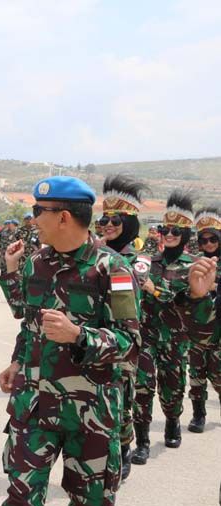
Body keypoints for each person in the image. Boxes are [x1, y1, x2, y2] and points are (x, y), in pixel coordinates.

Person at [0, 176, 141, 506]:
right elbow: (28, 324)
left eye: (38, 212)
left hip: (89, 413)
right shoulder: (35, 264)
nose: (33, 219)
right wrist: (17, 362)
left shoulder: (115, 270)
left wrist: (79, 336)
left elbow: (130, 343)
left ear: (63, 217)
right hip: (35, 406)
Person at [132, 190, 196, 462]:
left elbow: (185, 297)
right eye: (163, 229)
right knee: (142, 387)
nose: (168, 234)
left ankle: (172, 421)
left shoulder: (192, 265)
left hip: (176, 337)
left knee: (172, 387)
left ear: (186, 234)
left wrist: (155, 289)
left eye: (174, 230)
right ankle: (143, 441)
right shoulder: (148, 261)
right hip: (146, 334)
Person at [97, 174, 149, 482]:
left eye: (115, 220)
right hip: (97, 339)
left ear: (129, 223)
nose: (108, 225)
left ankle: (125, 448)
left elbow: (135, 282)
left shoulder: (136, 259)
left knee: (124, 402)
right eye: (104, 219)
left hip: (125, 340)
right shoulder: (98, 253)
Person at [185, 207, 221, 433]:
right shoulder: (194, 264)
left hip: (219, 330)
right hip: (197, 330)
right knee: (196, 374)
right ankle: (199, 415)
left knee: (218, 374)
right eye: (203, 240)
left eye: (213, 239)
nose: (208, 244)